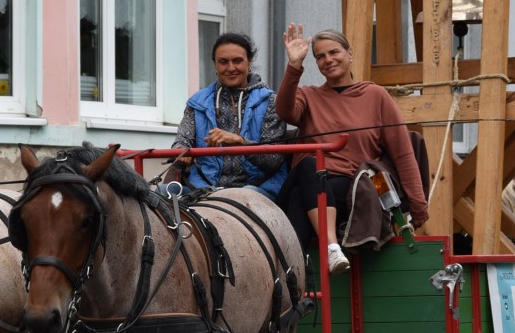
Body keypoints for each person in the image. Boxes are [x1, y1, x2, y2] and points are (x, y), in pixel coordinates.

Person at [276, 23, 429, 273]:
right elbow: (284, 111)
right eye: (320, 57)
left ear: (350, 54)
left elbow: (402, 152)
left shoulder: (375, 95)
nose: (328, 60)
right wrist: (294, 66)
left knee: (299, 190)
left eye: (334, 52)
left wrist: (418, 203)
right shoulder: (309, 95)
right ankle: (326, 253)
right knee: (310, 166)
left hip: (353, 186)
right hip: (312, 180)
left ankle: (289, 280)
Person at [169, 32, 288, 198]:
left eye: (237, 61)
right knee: (159, 198)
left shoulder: (270, 101)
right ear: (215, 65)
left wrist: (241, 142)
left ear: (249, 63)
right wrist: (181, 151)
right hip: (203, 188)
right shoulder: (197, 102)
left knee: (241, 201)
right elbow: (182, 140)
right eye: (223, 62)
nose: (231, 68)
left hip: (256, 188)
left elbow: (273, 160)